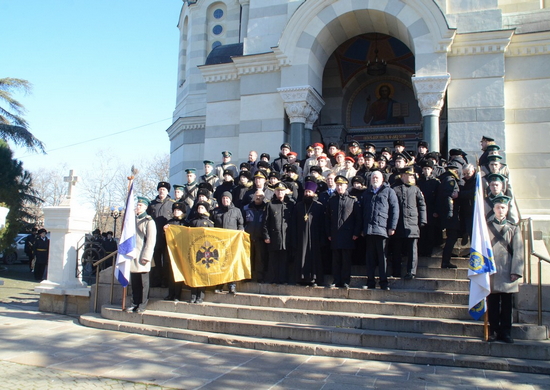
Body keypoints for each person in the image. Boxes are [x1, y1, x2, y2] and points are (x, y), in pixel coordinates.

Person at [486, 195, 524, 344]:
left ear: (507, 210)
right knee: (493, 303)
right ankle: (494, 330)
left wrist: (516, 270)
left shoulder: (513, 228)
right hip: (493, 270)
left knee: (507, 305)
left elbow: (518, 251)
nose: (500, 210)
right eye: (497, 207)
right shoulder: (487, 227)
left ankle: (506, 332)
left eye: (503, 208)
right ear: (493, 209)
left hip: (508, 270)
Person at [362, 171, 399, 290]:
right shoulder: (367, 193)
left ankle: (384, 282)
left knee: (382, 258)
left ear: (382, 179)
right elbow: (362, 211)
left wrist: (392, 227)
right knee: (369, 258)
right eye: (373, 178)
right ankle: (370, 282)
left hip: (382, 230)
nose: (374, 179)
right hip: (369, 230)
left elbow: (395, 210)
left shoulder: (389, 191)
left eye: (377, 177)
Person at [390, 167, 427, 279]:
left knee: (412, 249)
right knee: (396, 249)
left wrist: (423, 220)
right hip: (398, 223)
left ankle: (411, 271)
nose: (411, 177)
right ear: (403, 176)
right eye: (408, 175)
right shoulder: (394, 189)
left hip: (412, 223)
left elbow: (422, 205)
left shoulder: (415, 189)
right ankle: (396, 271)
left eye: (412, 176)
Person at [325, 175, 362, 288]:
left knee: (346, 260)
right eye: (337, 185)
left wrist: (356, 233)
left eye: (341, 185)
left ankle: (345, 280)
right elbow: (327, 219)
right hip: (335, 234)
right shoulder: (332, 200)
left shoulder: (352, 200)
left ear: (346, 186)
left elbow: (358, 218)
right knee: (336, 260)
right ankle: (336, 280)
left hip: (348, 235)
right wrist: (328, 233)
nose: (339, 187)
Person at [125, 197, 156, 313]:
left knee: (144, 283)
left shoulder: (149, 221)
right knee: (135, 282)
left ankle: (142, 304)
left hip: (142, 255)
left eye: (140, 206)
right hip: (132, 254)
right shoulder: (132, 220)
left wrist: (146, 256)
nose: (138, 207)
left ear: (145, 207)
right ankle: (134, 302)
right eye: (137, 205)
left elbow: (151, 240)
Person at [291, 181, 325, 286]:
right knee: (301, 256)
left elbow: (322, 224)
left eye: (309, 192)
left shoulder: (319, 206)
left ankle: (313, 279)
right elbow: (293, 223)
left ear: (314, 193)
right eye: (306, 191)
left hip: (314, 237)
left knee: (314, 258)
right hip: (301, 237)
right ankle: (300, 279)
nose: (307, 194)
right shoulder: (298, 206)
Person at [263, 182, 295, 284]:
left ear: (285, 191)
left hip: (286, 237)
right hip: (274, 237)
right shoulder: (270, 205)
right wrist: (266, 236)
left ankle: (283, 279)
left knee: (284, 260)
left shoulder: (290, 205)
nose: (279, 192)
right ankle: (273, 279)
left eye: (281, 190)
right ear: (275, 192)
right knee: (273, 260)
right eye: (277, 190)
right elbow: (265, 222)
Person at [211, 192, 244, 294]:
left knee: (231, 264)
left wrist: (240, 232)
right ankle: (219, 284)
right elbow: (211, 225)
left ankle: (231, 285)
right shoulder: (215, 211)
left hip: (231, 242)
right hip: (218, 243)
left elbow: (240, 224)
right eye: (223, 198)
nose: (225, 200)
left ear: (230, 199)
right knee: (219, 263)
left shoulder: (236, 211)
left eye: (227, 198)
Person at [147, 181, 175, 288]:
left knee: (167, 260)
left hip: (167, 237)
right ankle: (156, 280)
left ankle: (165, 281)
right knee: (156, 260)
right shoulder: (152, 204)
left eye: (164, 190)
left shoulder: (171, 204)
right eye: (160, 189)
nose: (162, 191)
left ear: (167, 191)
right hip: (155, 236)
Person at [186, 201, 213, 303]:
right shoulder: (192, 222)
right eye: (199, 208)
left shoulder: (210, 223)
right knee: (193, 273)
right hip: (194, 250)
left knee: (202, 273)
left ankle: (200, 295)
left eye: (202, 208)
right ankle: (193, 294)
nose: (200, 210)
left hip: (204, 252)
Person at [436, 163, 461, 268]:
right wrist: (450, 212)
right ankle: (446, 261)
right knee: (452, 237)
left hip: (447, 213)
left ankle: (446, 259)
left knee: (452, 237)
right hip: (451, 215)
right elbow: (449, 197)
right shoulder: (450, 180)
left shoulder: (444, 179)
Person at [163, 202, 187, 302]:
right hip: (170, 251)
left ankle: (177, 295)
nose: (176, 212)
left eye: (178, 210)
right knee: (170, 274)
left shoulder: (185, 223)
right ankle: (170, 293)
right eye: (175, 210)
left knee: (179, 273)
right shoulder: (169, 223)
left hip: (180, 251)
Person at [243, 190, 268, 283]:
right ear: (253, 196)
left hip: (260, 237)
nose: (258, 197)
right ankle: (247, 276)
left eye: (261, 196)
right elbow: (242, 222)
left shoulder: (266, 208)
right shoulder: (246, 208)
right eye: (257, 195)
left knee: (260, 259)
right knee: (248, 258)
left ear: (263, 197)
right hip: (248, 238)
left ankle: (260, 277)